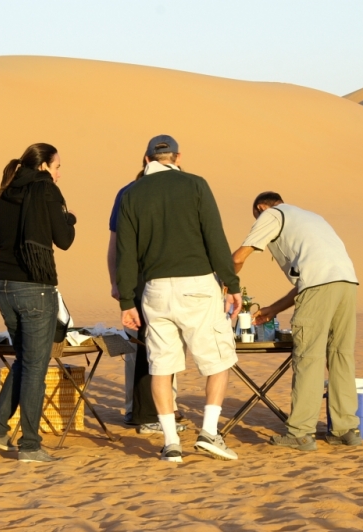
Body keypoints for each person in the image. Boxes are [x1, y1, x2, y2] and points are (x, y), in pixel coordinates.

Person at [116, 134, 242, 463]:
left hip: (155, 290)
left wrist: (126, 301)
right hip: (198, 284)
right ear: (178, 157)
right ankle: (210, 433)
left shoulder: (131, 194)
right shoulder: (196, 184)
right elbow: (215, 235)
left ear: (146, 160)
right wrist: (232, 282)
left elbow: (126, 253)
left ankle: (171, 443)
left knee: (162, 367)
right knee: (219, 361)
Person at [232, 191, 361, 451]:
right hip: (347, 284)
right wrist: (273, 309)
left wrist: (225, 285)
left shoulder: (271, 215)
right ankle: (345, 429)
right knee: (340, 355)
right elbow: (311, 280)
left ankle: (300, 432)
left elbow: (238, 257)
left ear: (260, 208)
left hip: (320, 287)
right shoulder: (312, 218)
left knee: (308, 357)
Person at [0, 143, 76, 463]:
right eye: (57, 165)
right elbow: (64, 240)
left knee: (25, 361)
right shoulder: (47, 191)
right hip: (35, 288)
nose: (60, 172)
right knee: (35, 366)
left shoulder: (3, 192)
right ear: (44, 167)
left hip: (3, 287)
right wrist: (68, 220)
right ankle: (31, 445)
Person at [107, 160, 186, 435]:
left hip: (158, 278)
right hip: (145, 277)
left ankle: (159, 409)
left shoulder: (150, 192)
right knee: (146, 346)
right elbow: (116, 245)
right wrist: (118, 284)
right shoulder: (132, 193)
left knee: (162, 344)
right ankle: (144, 414)